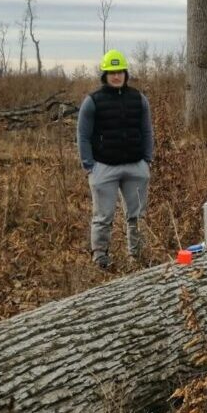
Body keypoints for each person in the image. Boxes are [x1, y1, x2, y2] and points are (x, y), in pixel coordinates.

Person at [77, 49, 154, 269]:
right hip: (104, 167)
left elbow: (147, 130)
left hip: (135, 167)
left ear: (125, 73)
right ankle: (101, 259)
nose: (116, 76)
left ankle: (136, 258)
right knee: (103, 216)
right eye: (112, 72)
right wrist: (89, 166)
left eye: (120, 71)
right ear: (105, 75)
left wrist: (146, 161)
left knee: (137, 216)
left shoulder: (139, 99)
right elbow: (82, 135)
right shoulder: (92, 101)